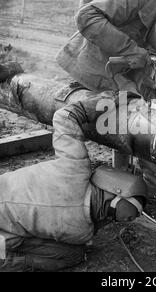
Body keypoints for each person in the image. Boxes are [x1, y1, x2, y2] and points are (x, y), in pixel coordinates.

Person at [57, 0, 156, 208]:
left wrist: (147, 83)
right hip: (91, 65)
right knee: (130, 121)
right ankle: (82, 185)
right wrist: (130, 49)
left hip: (116, 71)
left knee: (139, 118)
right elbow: (86, 16)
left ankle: (145, 184)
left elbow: (146, 54)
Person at [0, 93, 147, 272]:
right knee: (74, 254)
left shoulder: (75, 166)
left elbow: (64, 116)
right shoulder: (81, 233)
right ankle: (12, 261)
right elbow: (93, 222)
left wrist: (111, 101)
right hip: (6, 236)